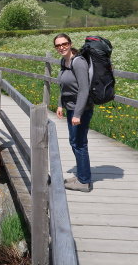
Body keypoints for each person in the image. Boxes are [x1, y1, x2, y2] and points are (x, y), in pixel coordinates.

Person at [54, 33, 93, 192]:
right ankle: (81, 175)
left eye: (64, 44)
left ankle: (84, 182)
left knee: (79, 143)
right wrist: (60, 105)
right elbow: (64, 86)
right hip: (70, 107)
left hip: (81, 109)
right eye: (58, 45)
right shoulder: (64, 61)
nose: (61, 47)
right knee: (74, 142)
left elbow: (84, 90)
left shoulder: (78, 62)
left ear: (70, 44)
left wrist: (77, 114)